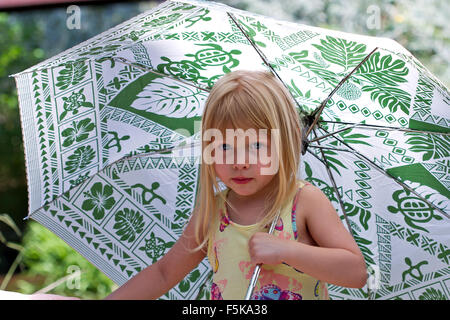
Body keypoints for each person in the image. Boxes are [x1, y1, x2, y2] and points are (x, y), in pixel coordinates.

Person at [105, 70, 367, 300]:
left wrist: (288, 250)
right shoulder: (214, 210)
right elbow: (164, 274)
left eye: (255, 146)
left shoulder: (303, 201)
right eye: (225, 147)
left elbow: (355, 272)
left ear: (284, 144)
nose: (239, 162)